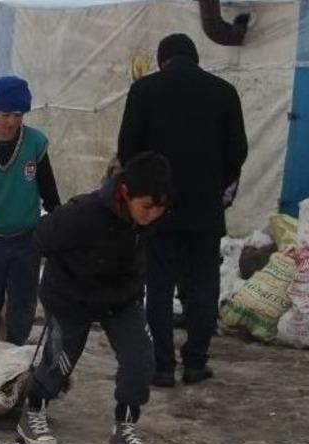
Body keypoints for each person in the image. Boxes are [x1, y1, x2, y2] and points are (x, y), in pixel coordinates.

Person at [16, 151, 172, 444]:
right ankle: (32, 412)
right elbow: (41, 237)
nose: (152, 214)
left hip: (121, 297)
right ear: (125, 193)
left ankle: (124, 431)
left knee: (140, 358)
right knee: (61, 360)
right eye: (146, 207)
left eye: (160, 209)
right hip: (71, 296)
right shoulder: (83, 213)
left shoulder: (149, 215)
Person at [117, 33, 248, 387]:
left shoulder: (144, 91)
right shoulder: (223, 92)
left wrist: (147, 192)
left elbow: (127, 149)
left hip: (158, 209)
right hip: (206, 209)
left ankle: (162, 365)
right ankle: (195, 362)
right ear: (194, 58)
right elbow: (238, 151)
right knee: (204, 285)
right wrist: (216, 185)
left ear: (162, 60)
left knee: (158, 286)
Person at [0, 75, 61, 346]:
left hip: (25, 237)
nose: (12, 121)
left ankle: (15, 348)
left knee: (22, 300)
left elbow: (47, 188)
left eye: (18, 114)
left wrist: (59, 220)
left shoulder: (35, 143)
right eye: (6, 114)